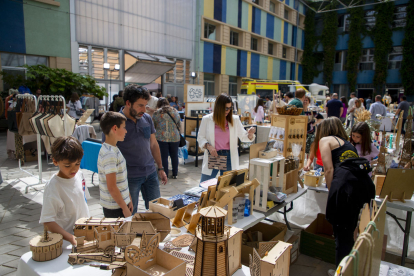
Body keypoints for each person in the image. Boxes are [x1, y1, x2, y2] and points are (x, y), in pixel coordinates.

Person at [314, 117, 375, 272]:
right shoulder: (348, 143)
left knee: (342, 235)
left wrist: (331, 191)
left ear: (325, 129)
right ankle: (348, 268)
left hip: (345, 188)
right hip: (362, 187)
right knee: (349, 232)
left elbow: (328, 169)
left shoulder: (325, 140)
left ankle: (342, 272)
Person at [103, 85, 168, 214]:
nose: (144, 109)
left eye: (146, 105)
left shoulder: (147, 118)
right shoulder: (114, 123)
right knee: (130, 215)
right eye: (140, 105)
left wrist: (160, 168)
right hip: (129, 177)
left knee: (158, 212)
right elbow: (108, 151)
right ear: (128, 103)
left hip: (150, 173)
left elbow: (153, 144)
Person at [39, 136, 89, 245]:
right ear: (55, 161)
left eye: (77, 163)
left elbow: (82, 202)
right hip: (66, 242)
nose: (74, 169)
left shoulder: (79, 175)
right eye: (67, 165)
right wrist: (71, 238)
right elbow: (47, 221)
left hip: (84, 235)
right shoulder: (53, 186)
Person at [198, 94, 256, 183]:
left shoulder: (235, 119)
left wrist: (250, 134)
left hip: (229, 156)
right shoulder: (207, 119)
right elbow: (200, 137)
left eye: (230, 108)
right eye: (226, 108)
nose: (228, 111)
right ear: (218, 107)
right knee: (204, 186)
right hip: (214, 155)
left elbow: (244, 136)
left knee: (227, 188)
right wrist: (209, 146)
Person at [98, 112, 133, 218]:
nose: (126, 131)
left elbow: (121, 180)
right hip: (115, 208)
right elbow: (112, 187)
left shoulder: (112, 148)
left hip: (120, 203)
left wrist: (129, 199)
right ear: (115, 128)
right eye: (124, 127)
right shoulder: (110, 154)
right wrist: (124, 208)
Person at [152, 98, 181, 179]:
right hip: (175, 136)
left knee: (163, 156)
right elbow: (178, 122)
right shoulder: (175, 111)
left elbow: (153, 125)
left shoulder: (157, 113)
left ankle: (165, 174)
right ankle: (175, 174)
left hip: (161, 137)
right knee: (174, 155)